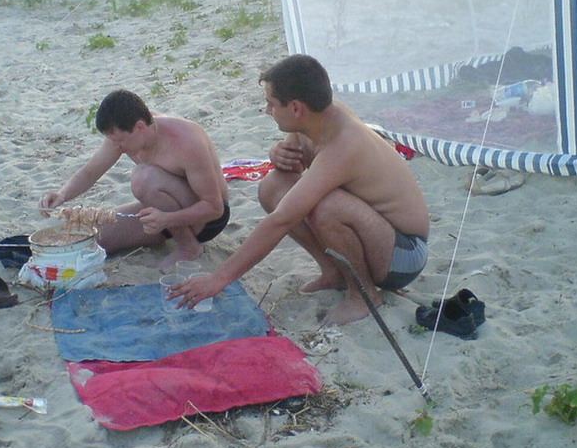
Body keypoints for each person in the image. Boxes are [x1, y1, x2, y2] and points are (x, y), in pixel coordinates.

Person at [170, 54, 430, 326]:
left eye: (271, 103)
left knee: (326, 207)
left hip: (404, 255)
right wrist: (278, 154)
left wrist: (218, 279)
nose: (267, 110)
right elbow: (294, 171)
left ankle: (363, 296)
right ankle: (334, 273)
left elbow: (282, 219)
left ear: (295, 108)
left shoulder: (344, 144)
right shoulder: (316, 120)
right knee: (273, 186)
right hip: (377, 234)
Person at [38, 89, 230, 270]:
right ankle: (172, 233)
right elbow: (89, 172)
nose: (116, 146)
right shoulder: (123, 135)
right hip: (162, 212)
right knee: (95, 238)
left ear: (140, 126)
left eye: (120, 141)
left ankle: (188, 247)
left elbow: (214, 208)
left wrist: (167, 219)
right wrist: (62, 195)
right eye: (113, 140)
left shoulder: (185, 140)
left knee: (144, 177)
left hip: (206, 219)